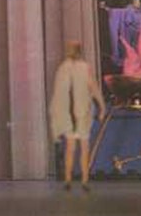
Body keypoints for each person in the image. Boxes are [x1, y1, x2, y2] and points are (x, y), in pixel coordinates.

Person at [49, 40, 106, 192]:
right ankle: (81, 180)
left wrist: (101, 106)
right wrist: (101, 106)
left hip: (75, 112)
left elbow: (59, 94)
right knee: (80, 147)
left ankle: (73, 180)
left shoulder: (65, 68)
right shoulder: (75, 68)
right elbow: (93, 88)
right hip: (77, 112)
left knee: (73, 147)